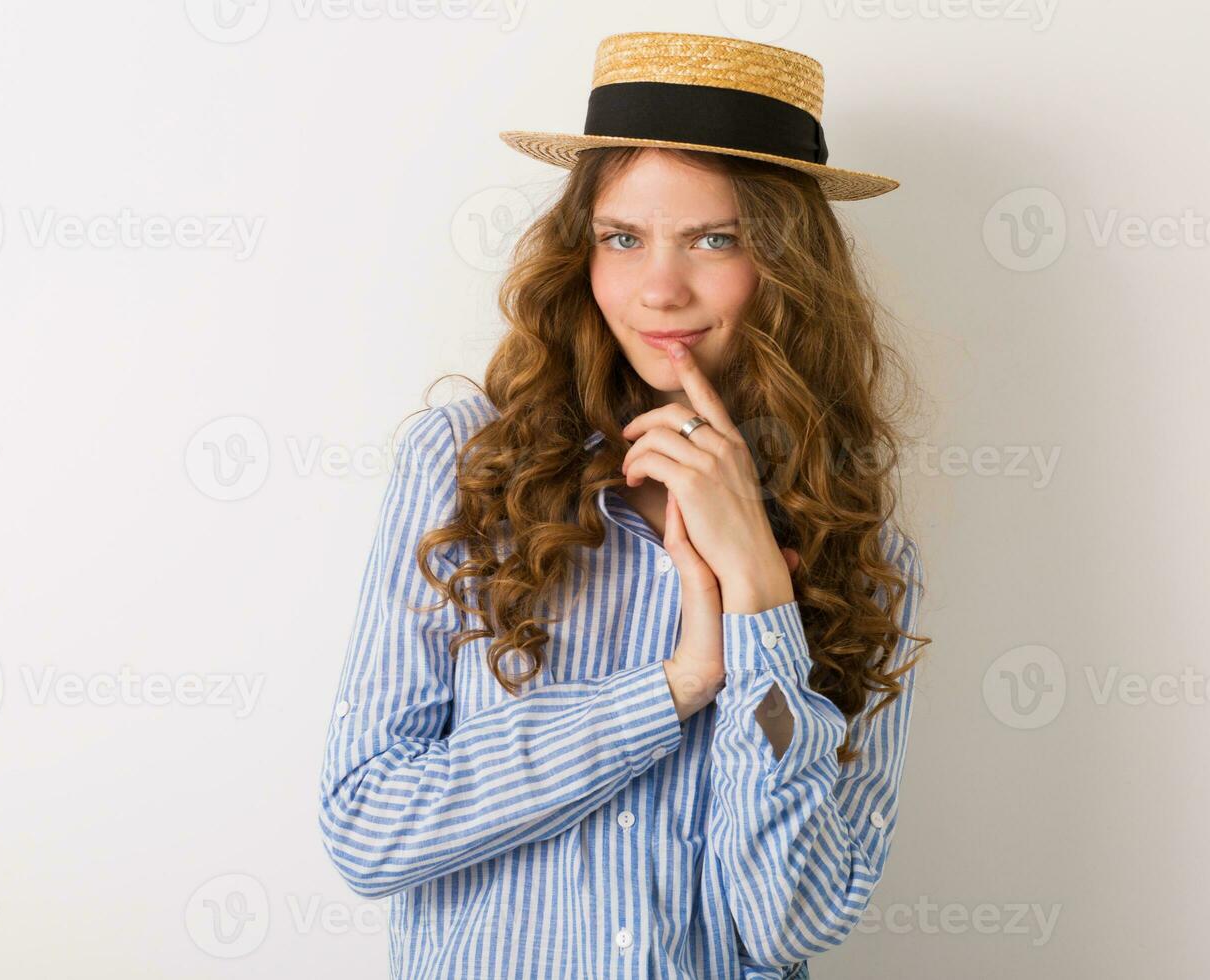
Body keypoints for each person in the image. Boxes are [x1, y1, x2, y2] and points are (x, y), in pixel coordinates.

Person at [319, 30, 932, 979]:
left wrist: (761, 598)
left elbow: (792, 922)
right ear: (583, 251)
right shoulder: (464, 467)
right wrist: (676, 685)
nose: (659, 288)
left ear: (787, 266)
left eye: (714, 240)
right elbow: (369, 825)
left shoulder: (861, 546)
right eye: (623, 238)